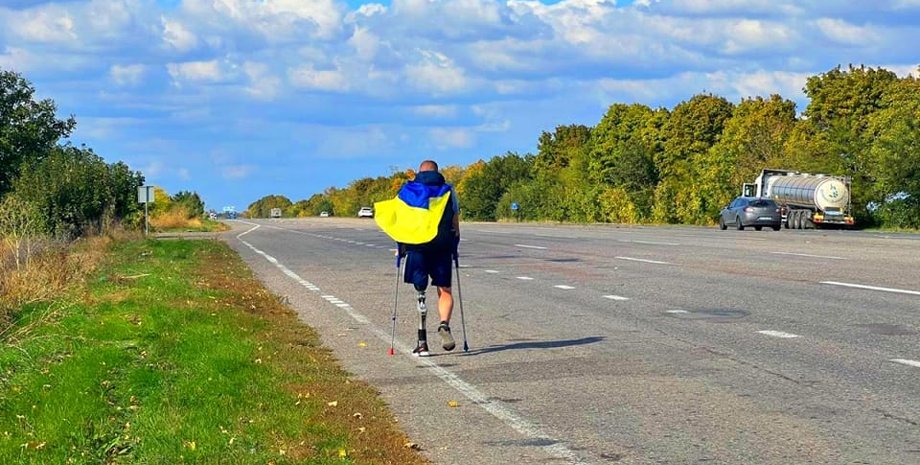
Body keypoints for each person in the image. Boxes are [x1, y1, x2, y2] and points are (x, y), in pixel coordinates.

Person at [400, 160, 460, 356]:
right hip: (441, 247)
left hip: (417, 247)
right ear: (437, 172)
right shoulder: (449, 190)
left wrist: (401, 248)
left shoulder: (408, 190)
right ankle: (444, 324)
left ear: (419, 172)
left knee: (420, 291)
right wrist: (454, 246)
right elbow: (455, 224)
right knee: (445, 290)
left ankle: (422, 341)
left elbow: (401, 222)